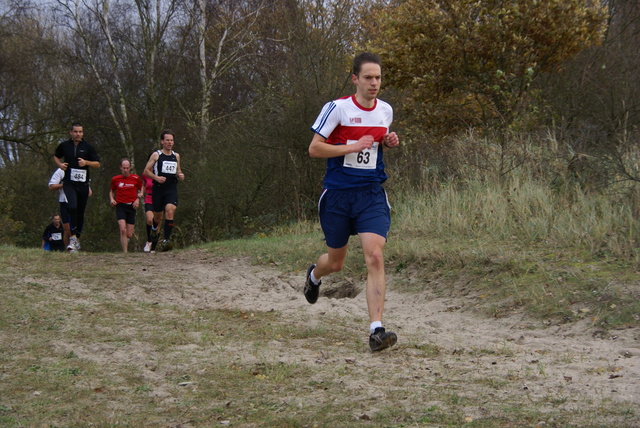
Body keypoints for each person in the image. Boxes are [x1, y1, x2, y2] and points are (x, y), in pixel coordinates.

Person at [304, 52, 401, 352]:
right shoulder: (337, 109)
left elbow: (374, 146)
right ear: (355, 79)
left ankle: (377, 331)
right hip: (337, 197)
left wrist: (387, 142)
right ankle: (313, 275)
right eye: (369, 77)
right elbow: (314, 149)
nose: (375, 83)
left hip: (370, 194)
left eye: (379, 77)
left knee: (374, 256)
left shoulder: (385, 111)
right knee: (336, 263)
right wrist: (351, 146)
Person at [53, 123, 100, 252]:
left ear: (83, 133)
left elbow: (97, 164)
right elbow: (56, 156)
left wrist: (86, 163)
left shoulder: (88, 147)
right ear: (71, 132)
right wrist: (60, 165)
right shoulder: (64, 146)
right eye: (75, 132)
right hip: (69, 183)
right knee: (72, 207)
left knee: (80, 212)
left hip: (83, 184)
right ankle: (73, 238)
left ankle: (77, 238)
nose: (78, 134)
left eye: (80, 132)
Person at [143, 130, 185, 251]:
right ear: (162, 141)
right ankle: (154, 230)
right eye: (167, 140)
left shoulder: (176, 156)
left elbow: (178, 170)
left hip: (171, 188)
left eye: (171, 140)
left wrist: (180, 174)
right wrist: (156, 178)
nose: (169, 142)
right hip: (158, 189)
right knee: (157, 218)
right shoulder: (156, 155)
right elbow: (146, 171)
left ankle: (166, 240)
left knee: (170, 211)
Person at [109, 158, 143, 252]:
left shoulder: (136, 178)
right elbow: (111, 191)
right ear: (120, 168)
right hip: (120, 206)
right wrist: (112, 199)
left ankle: (125, 243)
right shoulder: (115, 179)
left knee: (129, 234)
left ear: (130, 168)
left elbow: (141, 189)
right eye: (124, 168)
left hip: (131, 206)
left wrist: (138, 199)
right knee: (122, 229)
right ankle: (125, 252)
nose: (125, 170)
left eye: (127, 168)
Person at [142, 152, 160, 253]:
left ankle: (154, 245)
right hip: (149, 198)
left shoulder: (160, 172)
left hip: (159, 198)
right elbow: (144, 185)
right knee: (149, 219)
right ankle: (149, 241)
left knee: (157, 222)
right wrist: (141, 193)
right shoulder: (146, 173)